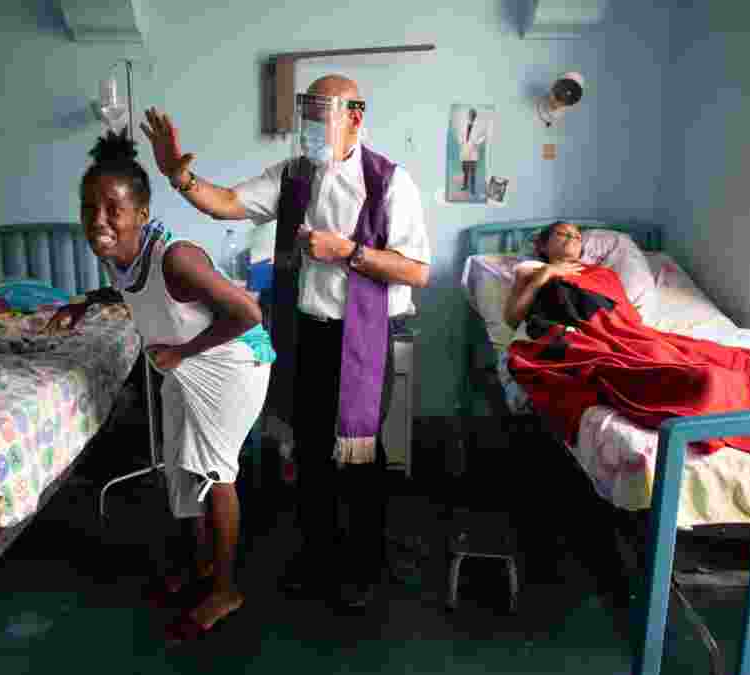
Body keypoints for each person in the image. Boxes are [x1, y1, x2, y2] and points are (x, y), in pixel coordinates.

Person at [139, 74, 431, 610]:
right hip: (307, 332)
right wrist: (180, 177)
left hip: (362, 339)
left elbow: (417, 271)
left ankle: (363, 568)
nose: (311, 127)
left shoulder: (390, 182)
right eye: (307, 114)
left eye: (322, 114)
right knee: (311, 452)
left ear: (355, 117)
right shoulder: (294, 175)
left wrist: (347, 252)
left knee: (360, 458)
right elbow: (227, 203)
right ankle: (317, 558)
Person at [46, 129, 275, 642]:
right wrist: (86, 303)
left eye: (113, 209)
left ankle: (226, 589)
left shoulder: (176, 258)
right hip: (186, 364)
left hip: (231, 366)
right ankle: (202, 565)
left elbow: (248, 313)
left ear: (142, 214)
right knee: (179, 466)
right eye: (89, 208)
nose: (99, 220)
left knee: (215, 473)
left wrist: (183, 351)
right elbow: (131, 290)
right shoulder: (119, 255)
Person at [503, 221, 750, 455]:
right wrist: (546, 275)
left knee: (702, 355)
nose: (572, 238)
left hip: (626, 334)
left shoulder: (602, 274)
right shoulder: (533, 271)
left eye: (577, 235)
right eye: (562, 233)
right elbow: (513, 318)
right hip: (576, 338)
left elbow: (623, 317)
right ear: (542, 245)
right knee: (689, 377)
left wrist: (622, 330)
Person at [458, 108, 486, 196]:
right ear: (468, 116)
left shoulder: (479, 126)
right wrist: (461, 141)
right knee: (465, 170)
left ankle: (472, 189)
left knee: (473, 172)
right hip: (465, 150)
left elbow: (484, 136)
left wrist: (477, 143)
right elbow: (460, 135)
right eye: (470, 115)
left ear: (475, 117)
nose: (471, 117)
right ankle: (465, 186)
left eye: (472, 115)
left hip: (473, 151)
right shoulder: (464, 125)